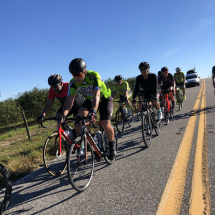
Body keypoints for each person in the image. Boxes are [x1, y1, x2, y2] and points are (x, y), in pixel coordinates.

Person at [59, 58, 116, 160]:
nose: (76, 78)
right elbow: (69, 100)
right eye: (73, 75)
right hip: (90, 100)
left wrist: (93, 111)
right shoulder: (73, 83)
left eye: (78, 75)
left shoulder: (94, 76)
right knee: (81, 114)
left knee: (105, 124)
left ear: (84, 72)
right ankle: (93, 141)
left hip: (104, 98)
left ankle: (112, 147)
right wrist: (64, 114)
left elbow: (97, 96)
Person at [132, 62, 162, 134]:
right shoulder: (138, 78)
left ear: (148, 69)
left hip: (155, 90)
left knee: (154, 101)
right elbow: (136, 89)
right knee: (146, 108)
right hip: (147, 92)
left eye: (144, 69)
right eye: (141, 70)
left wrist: (155, 96)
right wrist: (134, 98)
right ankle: (148, 127)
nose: (143, 71)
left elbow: (155, 87)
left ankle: (159, 111)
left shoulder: (153, 76)